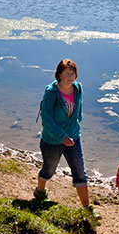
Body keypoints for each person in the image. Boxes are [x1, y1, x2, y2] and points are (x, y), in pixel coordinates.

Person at [34, 58, 91, 212]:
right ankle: (40, 192)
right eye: (67, 74)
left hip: (74, 138)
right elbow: (47, 119)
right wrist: (62, 136)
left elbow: (78, 111)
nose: (70, 77)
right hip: (53, 140)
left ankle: (87, 208)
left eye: (73, 74)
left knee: (80, 172)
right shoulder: (51, 92)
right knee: (49, 170)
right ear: (59, 74)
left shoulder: (78, 88)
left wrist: (77, 123)